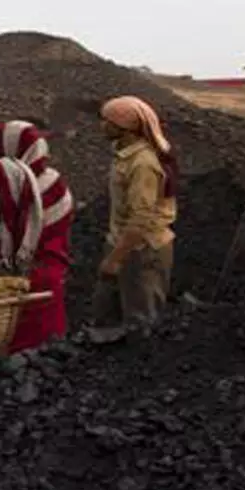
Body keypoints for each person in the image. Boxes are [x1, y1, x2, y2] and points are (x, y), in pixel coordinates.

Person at [0, 120, 74, 352]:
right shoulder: (56, 182)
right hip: (52, 274)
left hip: (13, 286)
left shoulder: (1, 189)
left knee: (14, 349)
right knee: (50, 348)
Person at [89, 96, 178, 344]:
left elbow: (142, 217)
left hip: (143, 249)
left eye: (107, 121)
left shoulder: (143, 163)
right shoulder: (125, 156)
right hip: (124, 243)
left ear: (124, 127)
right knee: (110, 313)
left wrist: (115, 259)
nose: (101, 125)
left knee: (142, 322)